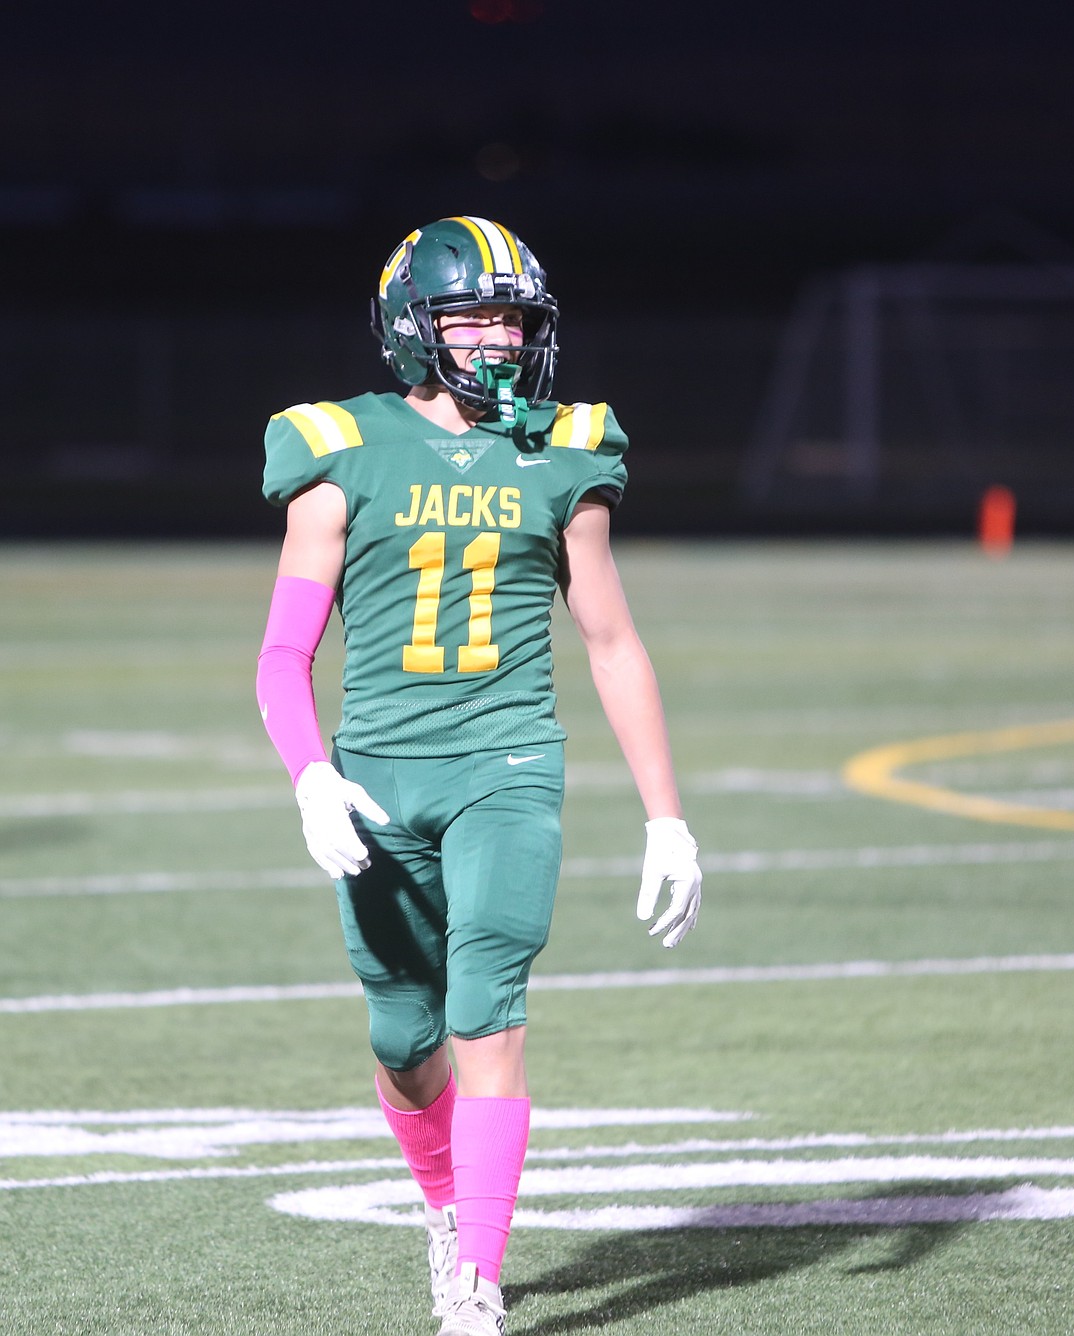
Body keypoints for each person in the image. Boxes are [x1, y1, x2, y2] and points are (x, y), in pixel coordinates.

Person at [255, 215, 702, 1335]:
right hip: (377, 776)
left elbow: (609, 640)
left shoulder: (565, 447)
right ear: (413, 326)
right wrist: (311, 773)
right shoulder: (337, 445)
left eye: (515, 319)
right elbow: (281, 653)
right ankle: (447, 1203)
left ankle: (479, 1283)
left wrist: (668, 817)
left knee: (487, 1007)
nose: (500, 341)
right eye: (474, 317)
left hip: (508, 764)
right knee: (405, 1040)